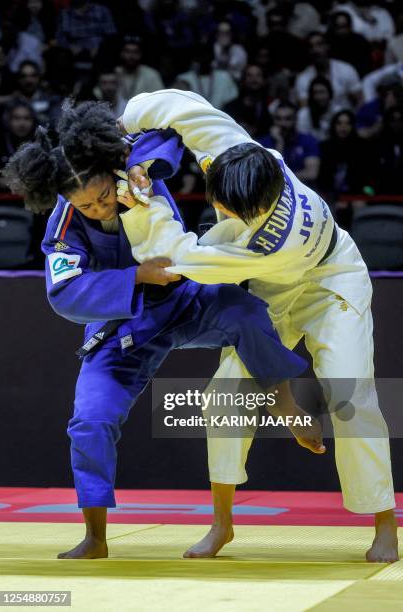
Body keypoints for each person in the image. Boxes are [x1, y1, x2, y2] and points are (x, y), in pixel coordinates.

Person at [2, 100, 323, 560]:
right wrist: (135, 277)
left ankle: (285, 402)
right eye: (85, 205)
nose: (98, 208)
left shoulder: (129, 166)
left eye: (102, 196)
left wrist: (142, 166)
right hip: (126, 326)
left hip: (187, 299)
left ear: (108, 171)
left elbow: (167, 133)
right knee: (90, 420)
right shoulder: (64, 226)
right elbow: (64, 294)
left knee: (247, 312)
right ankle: (95, 536)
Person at [118, 88, 398, 562]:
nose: (220, 210)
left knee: (350, 395)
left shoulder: (263, 245)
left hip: (333, 280)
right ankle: (222, 525)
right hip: (276, 287)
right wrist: (124, 127)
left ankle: (384, 524)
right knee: (225, 395)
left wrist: (144, 205)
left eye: (227, 209)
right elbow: (185, 106)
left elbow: (174, 258)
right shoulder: (248, 157)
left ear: (254, 209)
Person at [295, 31, 362, 109]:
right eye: (311, 46)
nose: (315, 50)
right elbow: (305, 108)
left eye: (319, 44)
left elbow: (359, 100)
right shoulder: (303, 78)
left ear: (327, 46)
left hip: (345, 118)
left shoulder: (346, 69)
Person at [259, 102, 320, 185]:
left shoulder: (308, 140)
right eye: (278, 118)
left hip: (302, 190)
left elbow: (312, 174)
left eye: (288, 119)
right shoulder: (263, 143)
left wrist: (282, 176)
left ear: (296, 120)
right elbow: (266, 174)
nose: (282, 123)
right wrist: (279, 143)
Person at [297, 77, 340, 142]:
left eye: (322, 92)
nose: (318, 97)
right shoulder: (303, 114)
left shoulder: (338, 112)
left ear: (330, 93)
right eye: (315, 93)